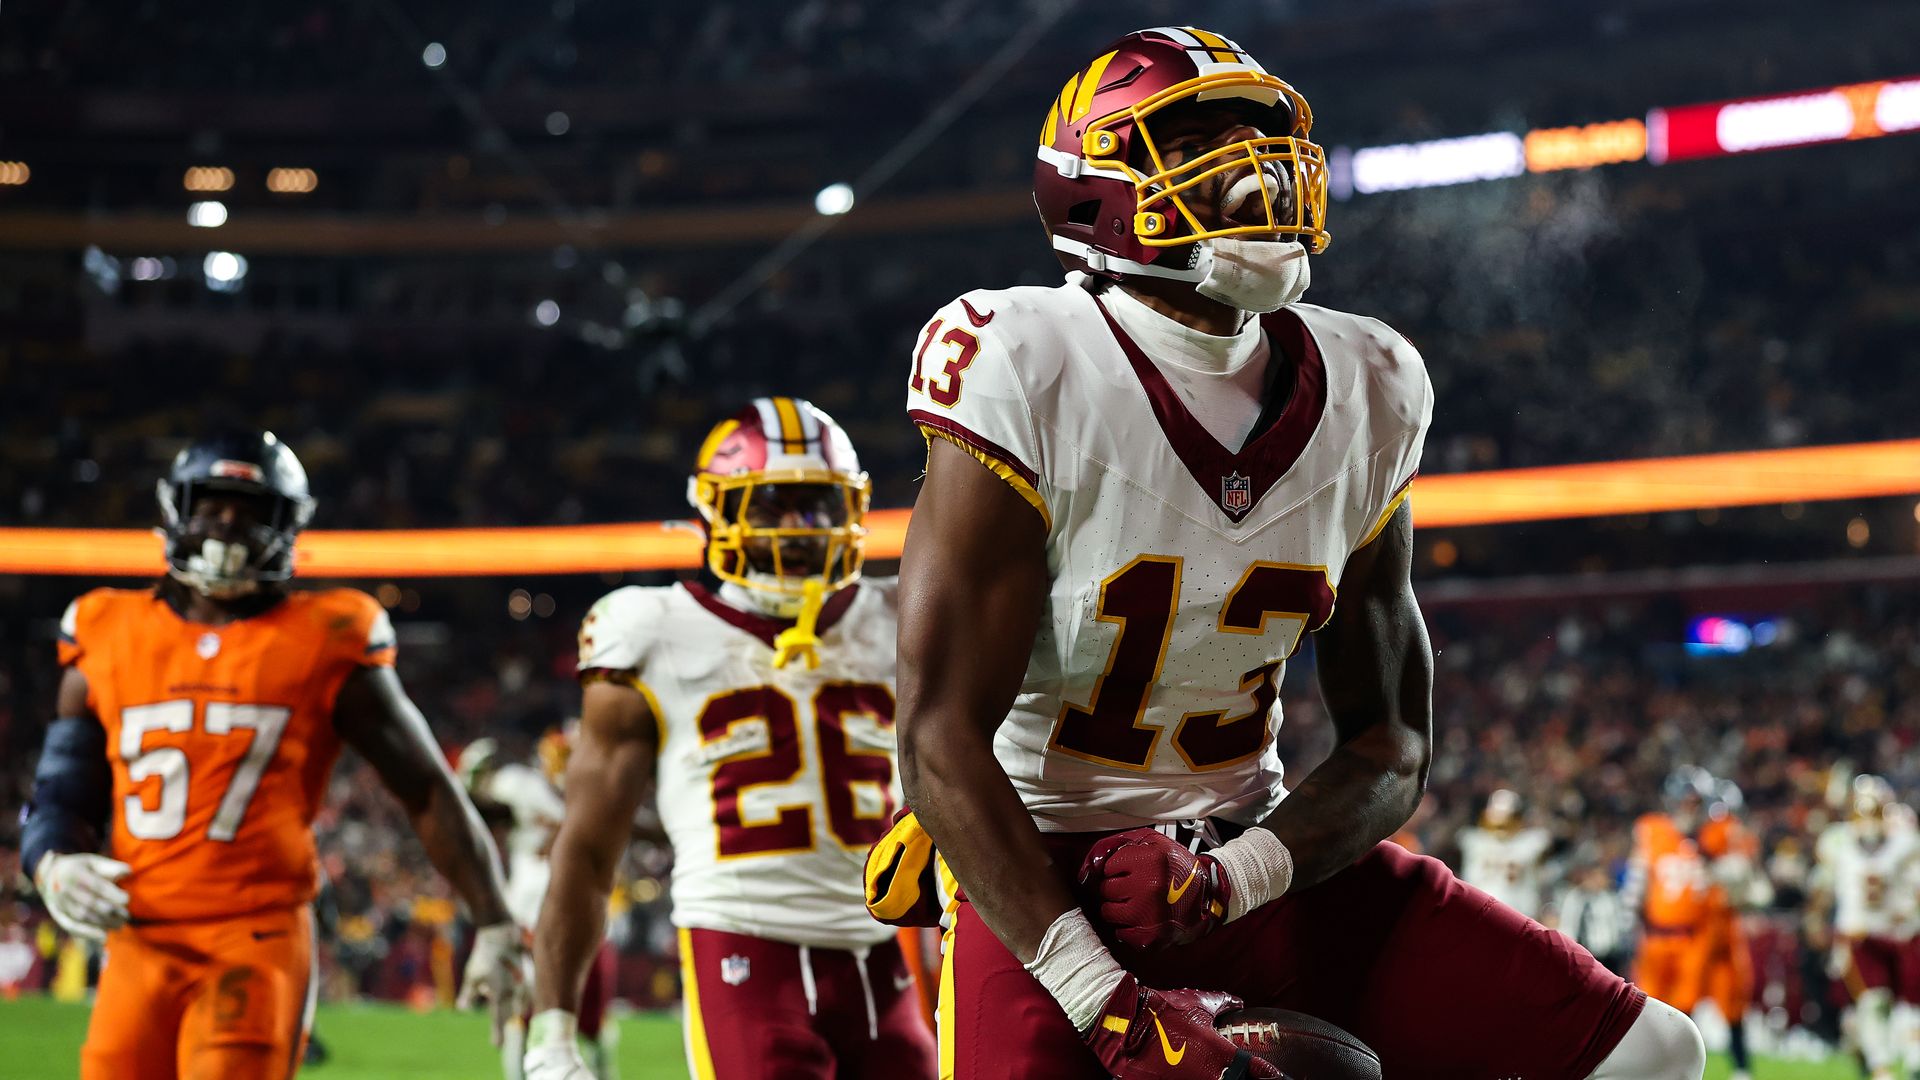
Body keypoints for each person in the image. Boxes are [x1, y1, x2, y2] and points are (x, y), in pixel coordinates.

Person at [884, 26, 1703, 1079]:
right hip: (1042, 866)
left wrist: (1238, 877)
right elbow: (940, 735)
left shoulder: (1372, 381)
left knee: (1649, 1054)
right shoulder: (1029, 358)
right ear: (1093, 188)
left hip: (1241, 848)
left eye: (1262, 142)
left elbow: (1393, 742)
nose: (1254, 172)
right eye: (1201, 144)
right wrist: (1109, 1006)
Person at [23, 431, 526, 1080]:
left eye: (252, 508)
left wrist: (493, 920)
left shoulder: (329, 636)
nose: (230, 523)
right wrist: (50, 860)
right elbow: (62, 787)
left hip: (253, 938)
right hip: (139, 938)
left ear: (288, 524)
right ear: (176, 509)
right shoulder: (105, 627)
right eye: (213, 503)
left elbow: (426, 787)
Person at [526, 399, 936, 1079]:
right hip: (743, 947)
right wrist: (553, 1029)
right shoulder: (651, 629)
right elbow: (587, 852)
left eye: (820, 506)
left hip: (879, 955)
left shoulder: (901, 612)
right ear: (716, 512)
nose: (800, 529)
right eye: (773, 503)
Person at [460, 730, 620, 1079]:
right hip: (529, 915)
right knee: (526, 1009)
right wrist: (469, 783)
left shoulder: (594, 792)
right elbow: (487, 810)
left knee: (591, 1016)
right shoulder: (521, 785)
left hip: (579, 914)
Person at [1809, 775, 1920, 1080]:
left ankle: (1909, 1062)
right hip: (1859, 936)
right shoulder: (1838, 842)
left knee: (1909, 1006)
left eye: (1874, 812)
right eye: (1862, 812)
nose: (1868, 820)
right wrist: (1817, 919)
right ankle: (1879, 1067)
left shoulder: (1904, 840)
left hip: (1901, 934)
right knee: (1870, 1004)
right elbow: (1824, 886)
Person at [1456, 788, 1555, 919]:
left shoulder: (1531, 842)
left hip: (1516, 914)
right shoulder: (1474, 840)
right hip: (1486, 913)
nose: (1500, 824)